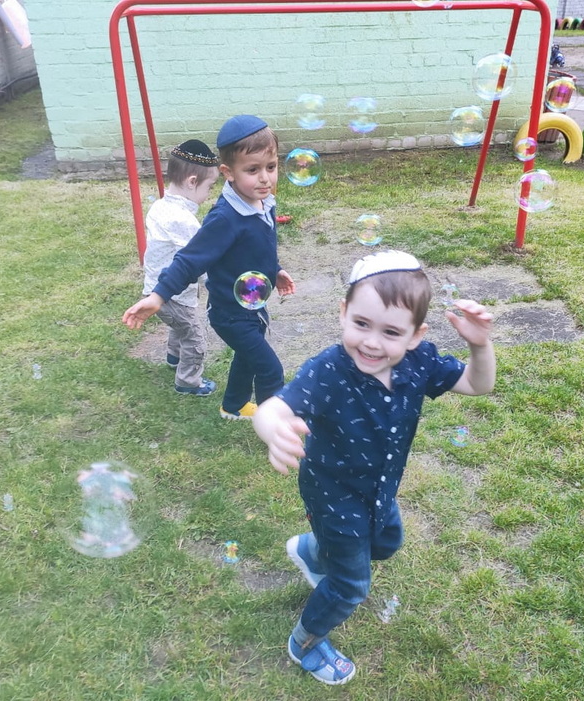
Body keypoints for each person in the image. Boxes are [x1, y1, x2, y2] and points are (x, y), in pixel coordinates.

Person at [253, 250, 496, 685]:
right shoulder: (329, 370)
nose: (371, 342)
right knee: (350, 586)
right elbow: (273, 407)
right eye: (361, 324)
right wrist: (273, 428)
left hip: (380, 490)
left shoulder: (420, 362)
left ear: (416, 336)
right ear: (343, 313)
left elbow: (479, 384)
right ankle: (305, 642)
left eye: (391, 332)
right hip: (333, 496)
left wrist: (480, 345)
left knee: (386, 543)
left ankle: (312, 552)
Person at [122, 115, 296, 419]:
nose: (265, 178)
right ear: (228, 173)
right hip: (230, 314)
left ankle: (234, 406)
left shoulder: (264, 202)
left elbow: (259, 247)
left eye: (271, 167)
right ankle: (275, 426)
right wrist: (159, 296)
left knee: (247, 356)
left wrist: (275, 270)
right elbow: (190, 259)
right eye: (252, 170)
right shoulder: (225, 218)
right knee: (270, 369)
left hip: (253, 303)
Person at [141, 140, 220, 396]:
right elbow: (199, 259)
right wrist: (219, 281)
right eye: (209, 187)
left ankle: (174, 357)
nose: (209, 193)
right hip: (173, 296)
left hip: (156, 290)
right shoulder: (183, 220)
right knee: (194, 336)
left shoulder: (160, 206)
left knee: (180, 326)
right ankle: (188, 381)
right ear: (192, 182)